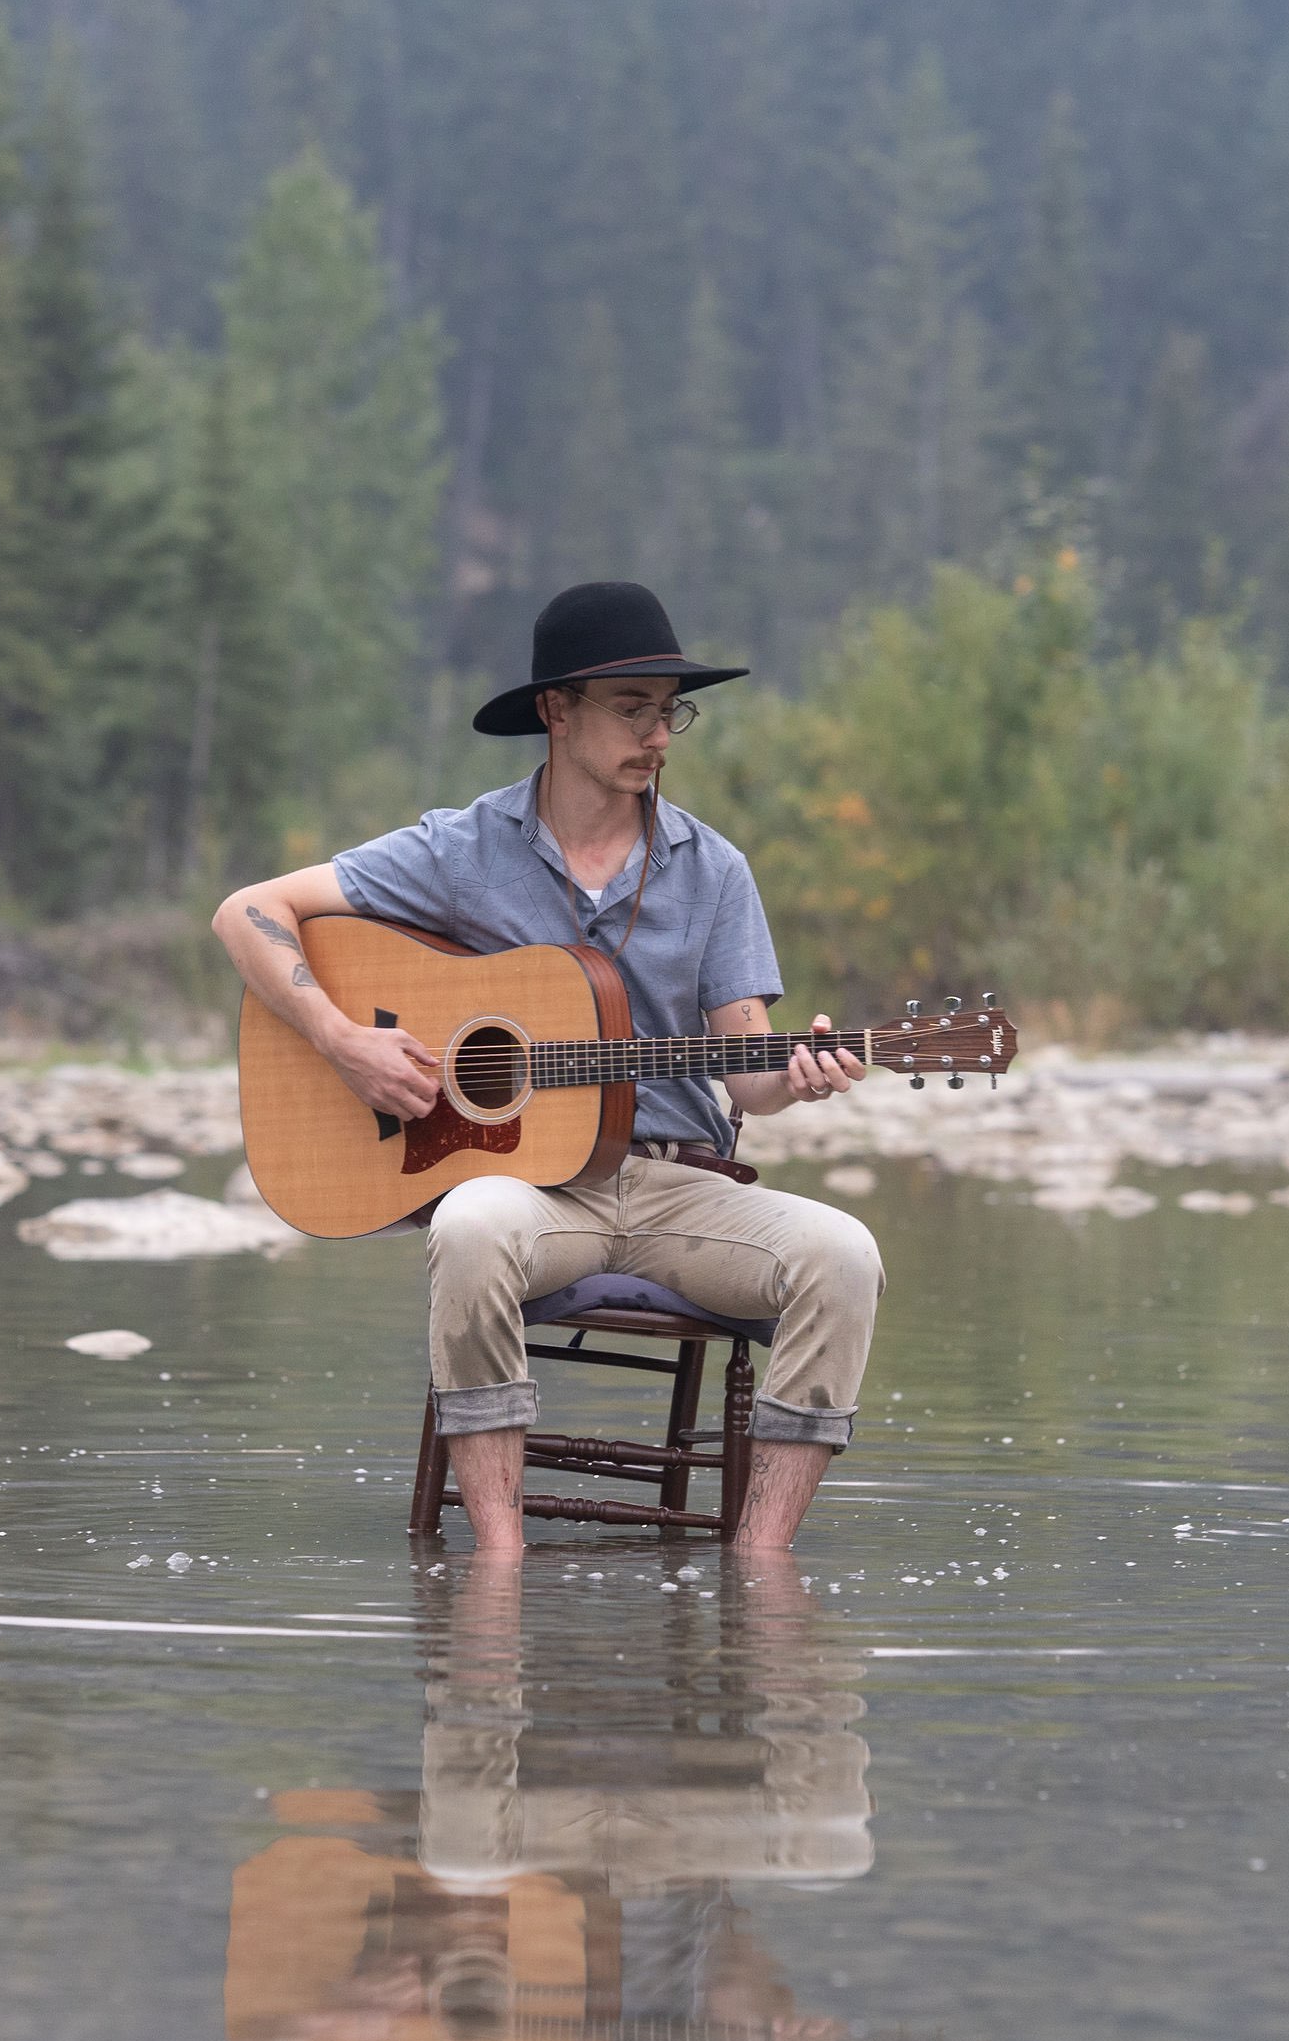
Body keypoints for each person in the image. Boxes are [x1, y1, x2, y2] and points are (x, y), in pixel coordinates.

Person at [210, 580, 880, 1557]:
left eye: (670, 711)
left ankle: (761, 1560)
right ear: (556, 713)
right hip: (528, 1190)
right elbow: (247, 911)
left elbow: (750, 1084)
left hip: (676, 1187)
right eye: (633, 708)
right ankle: (497, 1557)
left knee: (845, 1256)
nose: (658, 735)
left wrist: (803, 1070)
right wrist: (343, 1040)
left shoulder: (713, 870)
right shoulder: (461, 848)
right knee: (472, 1224)